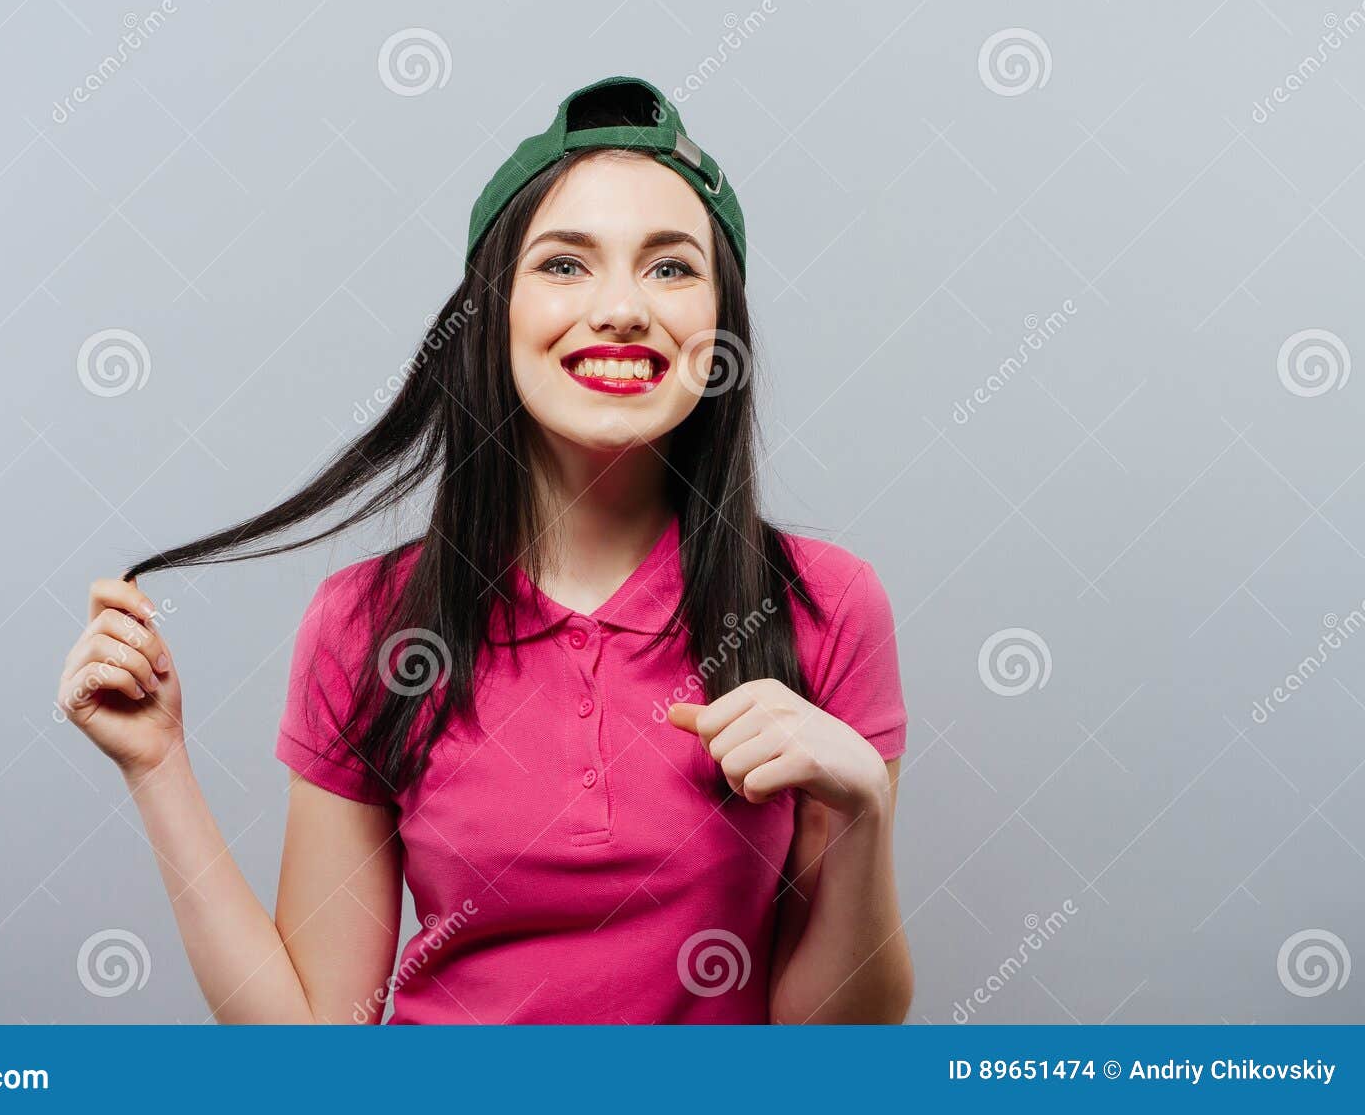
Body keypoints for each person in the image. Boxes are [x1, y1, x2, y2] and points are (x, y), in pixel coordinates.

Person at [56, 75, 913, 1024]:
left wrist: (864, 813)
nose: (623, 308)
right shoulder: (370, 624)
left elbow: (837, 1051)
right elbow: (311, 1050)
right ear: (492, 319)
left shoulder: (825, 606)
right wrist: (156, 764)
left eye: (671, 268)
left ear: (720, 337)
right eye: (564, 265)